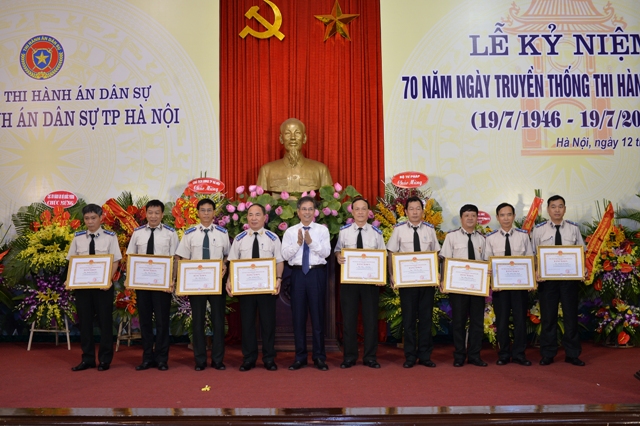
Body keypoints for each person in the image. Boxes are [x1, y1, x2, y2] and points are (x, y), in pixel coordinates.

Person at [226, 203, 284, 372]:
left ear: (265, 217)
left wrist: (279, 279)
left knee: (268, 324)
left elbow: (279, 261)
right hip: (245, 290)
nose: (254, 218)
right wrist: (229, 280)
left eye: (257, 214)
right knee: (247, 324)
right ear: (247, 218)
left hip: (267, 288)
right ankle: (249, 358)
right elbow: (232, 262)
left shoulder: (273, 238)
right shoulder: (239, 239)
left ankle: (269, 358)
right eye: (250, 215)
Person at [175, 198, 230, 371]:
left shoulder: (222, 233)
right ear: (197, 213)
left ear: (214, 213)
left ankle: (218, 360)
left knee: (218, 321)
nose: (206, 213)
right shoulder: (189, 233)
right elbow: (183, 258)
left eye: (209, 210)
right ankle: (200, 360)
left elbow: (228, 255)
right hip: (196, 283)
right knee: (197, 321)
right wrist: (183, 280)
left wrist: (225, 264)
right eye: (203, 210)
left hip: (217, 282)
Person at [387, 196, 441, 368]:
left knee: (426, 319)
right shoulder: (399, 230)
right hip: (407, 283)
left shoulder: (430, 230)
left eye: (418, 208)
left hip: (426, 282)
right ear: (406, 211)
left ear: (423, 211)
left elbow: (436, 254)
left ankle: (425, 355)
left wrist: (437, 274)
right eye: (411, 209)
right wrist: (391, 274)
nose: (415, 212)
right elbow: (391, 253)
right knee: (409, 320)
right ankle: (410, 356)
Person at [531, 195, 586, 366]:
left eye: (560, 206)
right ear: (548, 209)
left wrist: (582, 268)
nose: (557, 210)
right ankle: (548, 353)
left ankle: (572, 354)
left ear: (565, 209)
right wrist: (536, 271)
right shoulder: (539, 230)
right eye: (553, 206)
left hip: (569, 280)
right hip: (547, 281)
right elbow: (533, 254)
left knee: (571, 317)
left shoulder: (573, 229)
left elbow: (581, 252)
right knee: (548, 318)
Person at [66, 203, 122, 371]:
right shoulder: (78, 237)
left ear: (101, 218)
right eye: (87, 218)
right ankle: (88, 358)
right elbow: (72, 261)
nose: (90, 222)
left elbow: (116, 261)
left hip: (103, 287)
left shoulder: (110, 237)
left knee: (105, 323)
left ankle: (105, 359)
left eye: (93, 218)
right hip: (82, 287)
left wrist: (108, 280)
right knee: (85, 323)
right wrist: (69, 280)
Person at [126, 199, 179, 371]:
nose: (153, 216)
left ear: (162, 214)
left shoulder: (170, 233)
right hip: (142, 285)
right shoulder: (138, 233)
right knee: (145, 322)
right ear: (146, 214)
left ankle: (162, 358)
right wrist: (130, 280)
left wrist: (172, 280)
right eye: (150, 213)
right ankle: (147, 357)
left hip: (162, 285)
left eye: (157, 213)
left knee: (162, 322)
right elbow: (131, 257)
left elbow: (175, 259)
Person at [281, 196, 332, 370]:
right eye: (304, 209)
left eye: (310, 209)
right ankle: (300, 357)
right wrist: (298, 244)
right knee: (298, 317)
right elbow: (285, 255)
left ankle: (319, 357)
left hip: (316, 273)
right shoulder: (290, 232)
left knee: (318, 316)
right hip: (297, 275)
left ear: (315, 212)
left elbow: (326, 253)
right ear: (298, 212)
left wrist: (311, 243)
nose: (307, 212)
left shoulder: (322, 231)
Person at [335, 197, 386, 369]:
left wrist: (381, 277)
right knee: (348, 319)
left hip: (370, 282)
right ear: (352, 211)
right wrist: (338, 256)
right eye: (357, 209)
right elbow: (337, 251)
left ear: (368, 212)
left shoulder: (376, 233)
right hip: (349, 282)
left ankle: (370, 357)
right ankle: (349, 356)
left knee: (370, 320)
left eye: (363, 209)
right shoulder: (344, 232)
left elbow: (383, 255)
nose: (360, 212)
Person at [484, 202, 533, 366]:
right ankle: (503, 354)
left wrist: (530, 280)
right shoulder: (490, 238)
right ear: (497, 217)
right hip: (500, 288)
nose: (506, 218)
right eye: (502, 215)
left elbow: (529, 260)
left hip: (519, 287)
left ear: (514, 216)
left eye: (509, 214)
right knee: (502, 321)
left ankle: (519, 354)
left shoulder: (523, 236)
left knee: (520, 321)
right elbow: (487, 263)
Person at [440, 204, 487, 367]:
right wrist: (443, 280)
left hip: (477, 288)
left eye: (473, 215)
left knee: (477, 322)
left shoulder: (482, 239)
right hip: (458, 288)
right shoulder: (451, 237)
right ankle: (459, 355)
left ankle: (474, 355)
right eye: (466, 215)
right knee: (458, 322)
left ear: (477, 218)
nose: (470, 218)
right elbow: (445, 260)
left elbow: (486, 262)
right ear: (461, 218)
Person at [256, 118, 333, 192]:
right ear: (281, 139)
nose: (293, 137)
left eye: (297, 133)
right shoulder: (266, 171)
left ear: (304, 138)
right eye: (287, 133)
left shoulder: (321, 170)